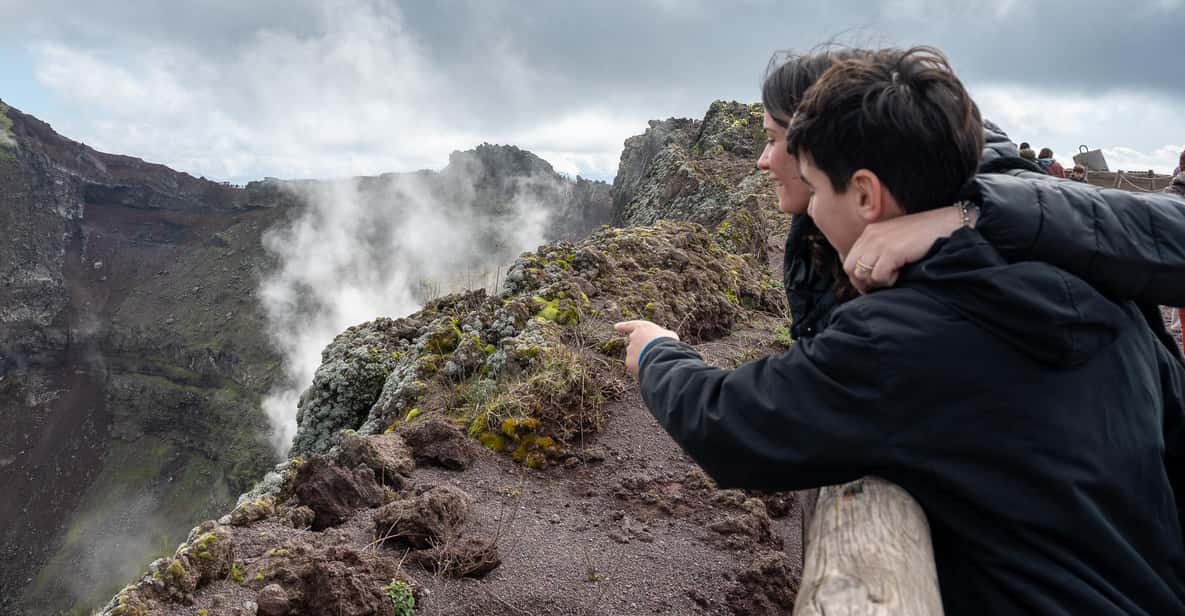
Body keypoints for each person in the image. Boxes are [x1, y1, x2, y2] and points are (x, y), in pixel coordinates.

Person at [617, 46, 1185, 615]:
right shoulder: (1082, 270)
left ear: (865, 193)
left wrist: (658, 353)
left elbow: (734, 423)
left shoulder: (904, 335)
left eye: (816, 187)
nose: (809, 209)